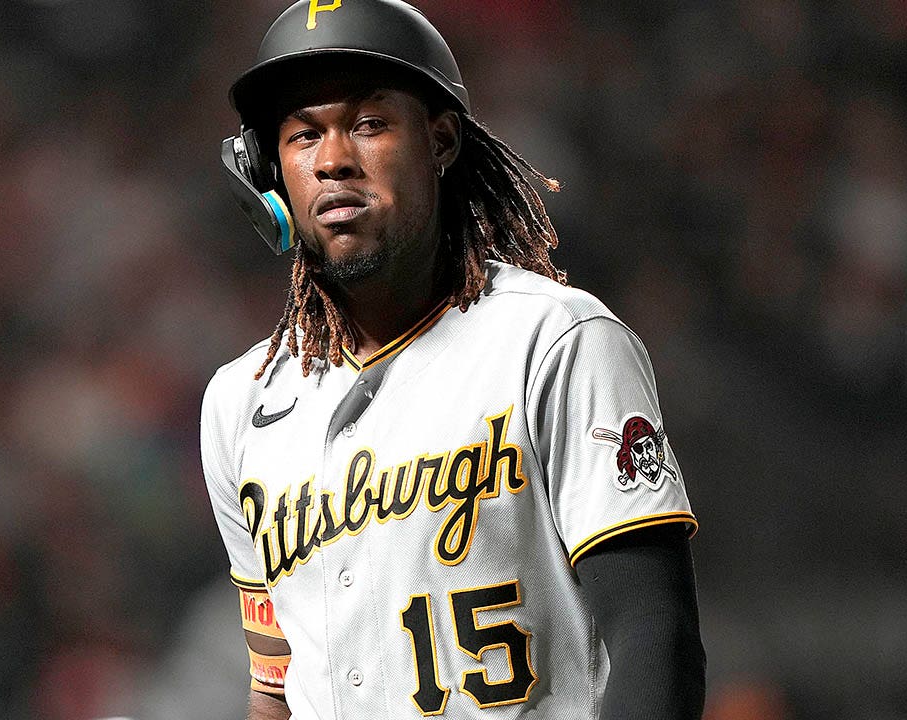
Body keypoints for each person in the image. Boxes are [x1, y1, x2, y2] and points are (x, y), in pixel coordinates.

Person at [202, 1, 705, 718]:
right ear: (267, 172)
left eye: (369, 124)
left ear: (440, 140)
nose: (333, 158)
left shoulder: (557, 342)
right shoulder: (237, 403)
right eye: (304, 134)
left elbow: (656, 640)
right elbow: (275, 686)